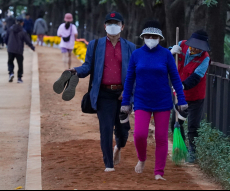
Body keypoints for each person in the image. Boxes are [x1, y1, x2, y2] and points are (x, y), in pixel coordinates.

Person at [68, 12, 136, 172]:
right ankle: (109, 164)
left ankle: (119, 146)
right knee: (105, 128)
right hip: (103, 94)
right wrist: (75, 71)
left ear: (122, 26)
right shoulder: (95, 45)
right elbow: (87, 66)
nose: (113, 26)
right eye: (110, 23)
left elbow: (135, 73)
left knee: (122, 130)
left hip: (123, 95)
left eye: (116, 23)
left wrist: (127, 92)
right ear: (105, 26)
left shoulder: (130, 47)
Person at [121, 20, 188, 181]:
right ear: (143, 37)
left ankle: (159, 172)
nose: (151, 38)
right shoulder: (137, 54)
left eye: (154, 36)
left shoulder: (166, 54)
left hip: (163, 102)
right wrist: (125, 102)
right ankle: (142, 158)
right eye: (148, 36)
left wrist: (182, 99)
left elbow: (175, 78)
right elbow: (129, 79)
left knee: (161, 138)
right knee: (139, 135)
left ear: (160, 38)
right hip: (142, 100)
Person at [170, 30, 210, 163]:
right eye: (193, 45)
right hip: (180, 96)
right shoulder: (181, 45)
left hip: (195, 96)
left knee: (193, 126)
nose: (193, 49)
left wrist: (181, 85)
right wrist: (171, 52)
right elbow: (167, 58)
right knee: (175, 123)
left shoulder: (205, 58)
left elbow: (196, 78)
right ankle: (182, 149)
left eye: (198, 47)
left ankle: (193, 152)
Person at [5, 16, 35, 83]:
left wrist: (7, 44)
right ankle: (19, 78)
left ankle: (11, 73)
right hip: (19, 49)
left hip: (10, 49)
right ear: (22, 23)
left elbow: (5, 38)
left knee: (10, 62)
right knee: (20, 64)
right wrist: (32, 47)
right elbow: (27, 40)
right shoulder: (23, 31)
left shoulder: (10, 29)